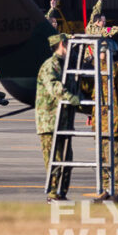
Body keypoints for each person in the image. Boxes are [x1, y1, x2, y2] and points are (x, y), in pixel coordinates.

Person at [36, 33, 81, 202]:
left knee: (66, 159)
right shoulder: (51, 66)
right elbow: (54, 86)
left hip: (64, 121)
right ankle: (53, 194)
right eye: (68, 44)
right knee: (54, 160)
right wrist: (70, 96)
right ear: (62, 44)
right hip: (50, 122)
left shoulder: (65, 65)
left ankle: (61, 193)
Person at [94, 47, 118, 203]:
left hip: (112, 120)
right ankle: (107, 189)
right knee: (103, 157)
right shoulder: (100, 69)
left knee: (114, 155)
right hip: (101, 120)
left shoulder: (114, 70)